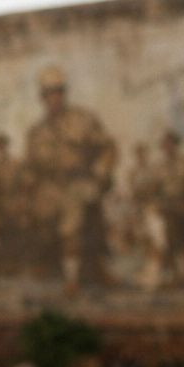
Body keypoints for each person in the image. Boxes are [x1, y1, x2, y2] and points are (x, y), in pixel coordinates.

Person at [24, 65, 116, 293]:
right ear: (42, 98)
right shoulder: (37, 132)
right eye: (48, 94)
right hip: (50, 187)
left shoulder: (82, 120)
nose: (53, 98)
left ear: (63, 94)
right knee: (38, 219)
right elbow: (30, 167)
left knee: (74, 223)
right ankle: (50, 265)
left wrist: (102, 171)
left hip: (80, 181)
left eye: (57, 92)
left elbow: (107, 147)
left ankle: (74, 279)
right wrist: (27, 187)